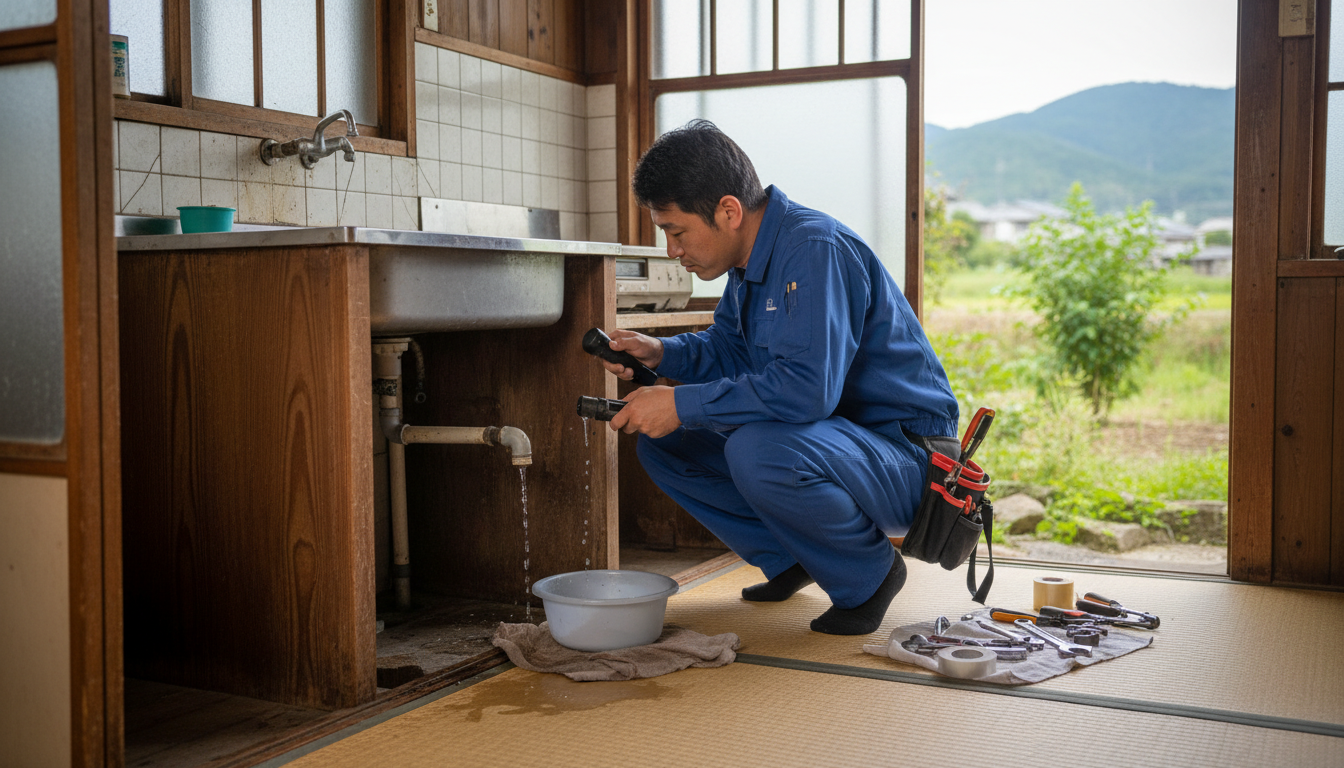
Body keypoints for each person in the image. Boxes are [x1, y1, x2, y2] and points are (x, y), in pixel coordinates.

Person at [596, 120, 960, 635]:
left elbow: (806, 391)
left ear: (728, 211)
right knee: (667, 446)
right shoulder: (750, 262)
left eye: (676, 232)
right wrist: (660, 353)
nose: (673, 250)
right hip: (841, 447)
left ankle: (869, 576)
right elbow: (727, 347)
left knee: (759, 448)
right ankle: (794, 560)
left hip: (911, 459)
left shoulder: (814, 250)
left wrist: (680, 404)